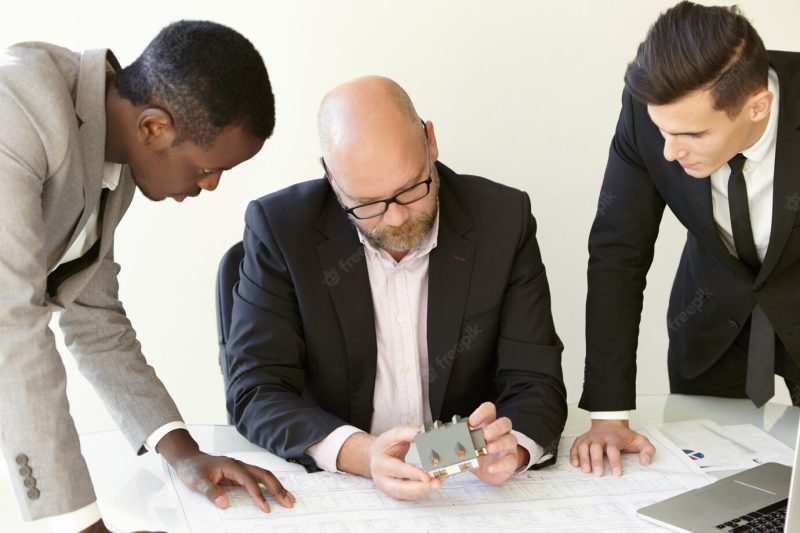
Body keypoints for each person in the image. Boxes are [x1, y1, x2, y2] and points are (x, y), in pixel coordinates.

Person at [0, 20, 295, 532]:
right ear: (154, 127)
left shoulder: (113, 156)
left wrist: (183, 456)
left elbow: (92, 315)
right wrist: (82, 527)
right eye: (206, 167)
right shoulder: (18, 115)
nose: (212, 184)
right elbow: (12, 327)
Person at [225, 75, 567, 500]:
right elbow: (256, 390)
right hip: (338, 483)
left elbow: (536, 382)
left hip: (462, 483)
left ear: (431, 142)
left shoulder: (502, 220)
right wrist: (364, 454)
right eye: (367, 204)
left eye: (411, 189)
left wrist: (510, 450)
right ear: (331, 178)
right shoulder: (281, 230)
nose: (396, 219)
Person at [571, 1, 800, 478]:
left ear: (758, 105)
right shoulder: (645, 111)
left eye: (693, 134)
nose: (670, 152)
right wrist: (608, 412)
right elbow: (618, 254)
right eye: (663, 132)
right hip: (711, 324)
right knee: (714, 484)